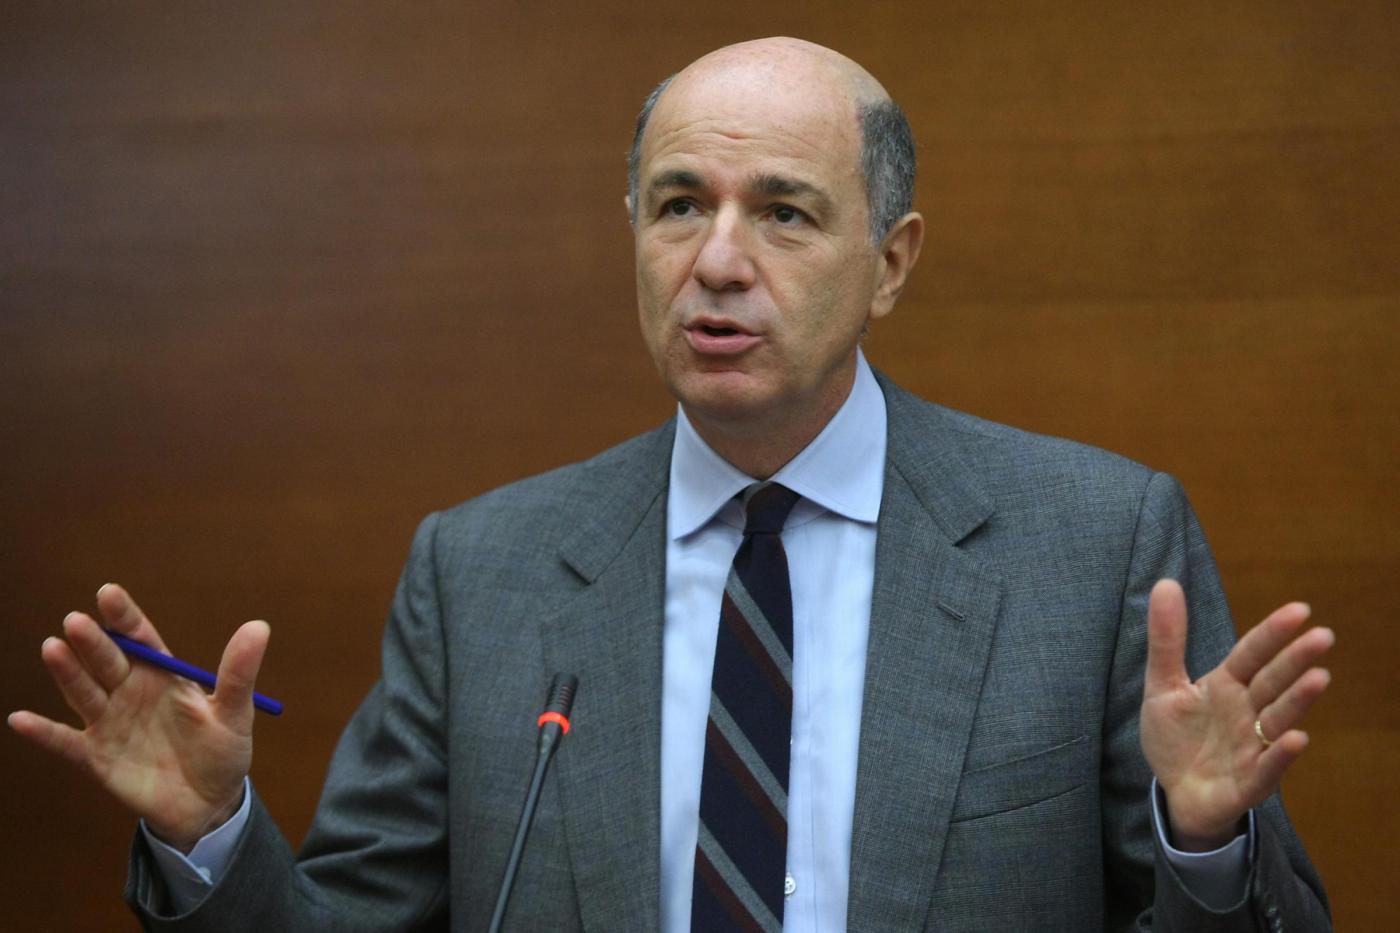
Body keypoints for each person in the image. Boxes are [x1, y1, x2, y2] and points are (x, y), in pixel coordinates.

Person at [9, 37, 1333, 932]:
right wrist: (214, 835)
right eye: (680, 204)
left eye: (785, 212)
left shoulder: (1095, 543)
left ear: (891, 262)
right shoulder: (483, 572)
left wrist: (1206, 846)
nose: (718, 261)